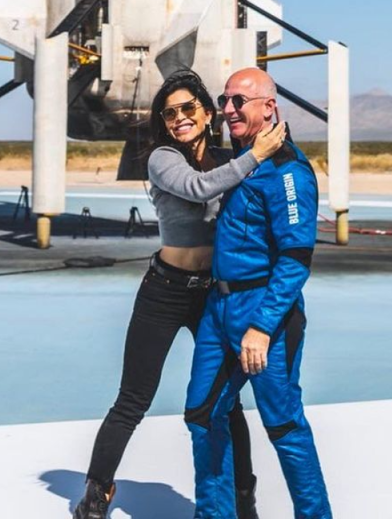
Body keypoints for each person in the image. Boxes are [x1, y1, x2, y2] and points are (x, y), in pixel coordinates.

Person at [73, 70, 286, 519]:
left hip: (214, 295)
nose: (179, 118)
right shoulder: (161, 158)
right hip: (165, 291)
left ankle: (242, 496)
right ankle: (96, 494)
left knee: (225, 403)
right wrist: (256, 156)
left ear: (208, 113)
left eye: (189, 108)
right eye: (169, 113)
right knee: (133, 398)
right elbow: (199, 187)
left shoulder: (232, 155)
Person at [184, 67, 332, 519]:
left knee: (283, 423)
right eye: (224, 100)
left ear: (270, 107)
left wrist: (262, 328)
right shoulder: (239, 160)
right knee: (203, 416)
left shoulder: (287, 171)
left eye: (239, 101)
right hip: (219, 308)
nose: (228, 109)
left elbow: (295, 259)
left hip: (264, 312)